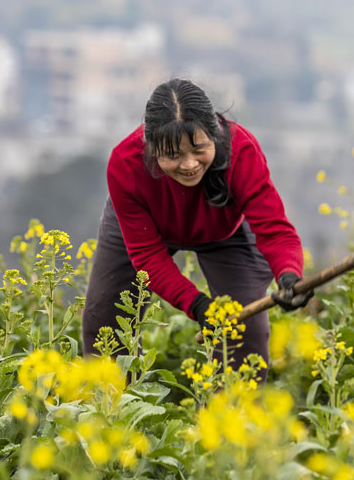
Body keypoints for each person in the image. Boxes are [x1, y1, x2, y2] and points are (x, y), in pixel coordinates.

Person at [81, 78, 312, 378]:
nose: (188, 165)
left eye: (199, 149)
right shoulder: (126, 164)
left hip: (226, 231)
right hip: (146, 228)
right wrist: (198, 305)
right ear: (150, 148)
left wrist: (289, 275)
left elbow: (275, 230)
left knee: (244, 329)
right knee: (104, 320)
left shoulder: (241, 150)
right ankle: (109, 410)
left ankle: (231, 419)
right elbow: (148, 257)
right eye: (173, 155)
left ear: (214, 135)